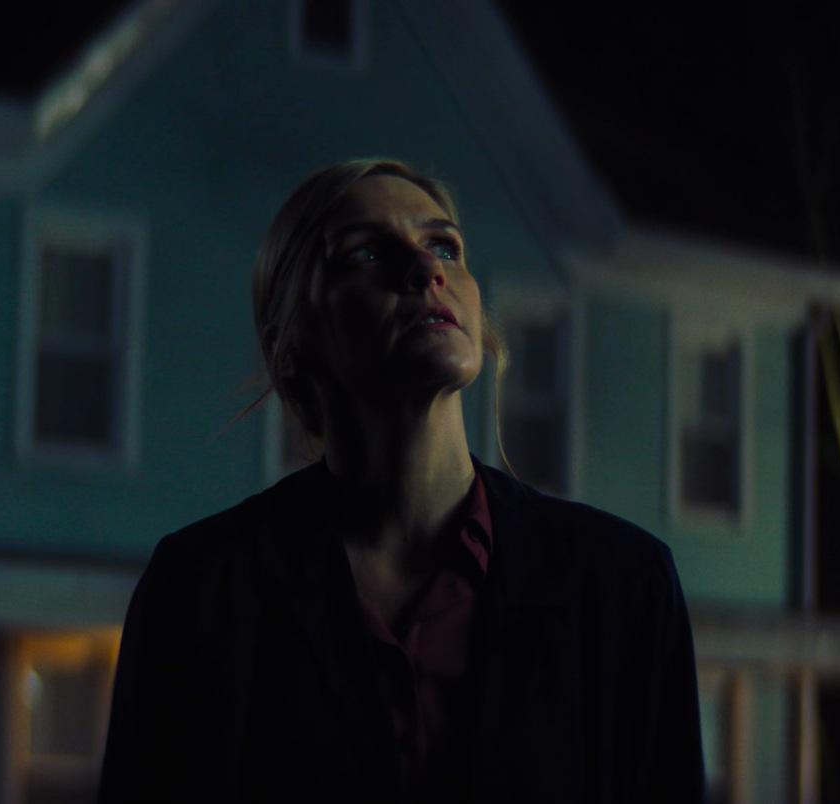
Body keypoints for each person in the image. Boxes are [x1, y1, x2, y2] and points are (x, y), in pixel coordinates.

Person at [96, 159, 704, 803]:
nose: (424, 268)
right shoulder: (201, 590)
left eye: (444, 246)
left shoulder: (622, 586)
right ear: (292, 343)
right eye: (365, 253)